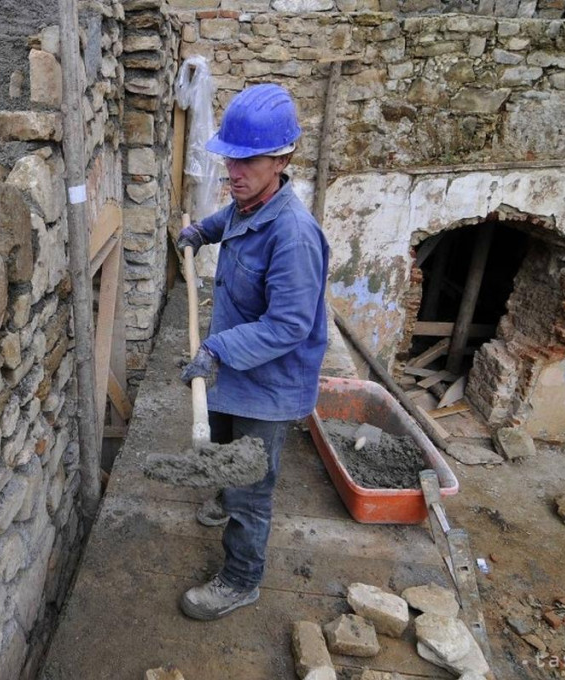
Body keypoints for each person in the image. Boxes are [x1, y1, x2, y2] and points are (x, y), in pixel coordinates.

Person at [176, 83, 330, 621]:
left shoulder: (293, 234)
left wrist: (215, 349)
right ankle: (223, 497)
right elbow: (226, 221)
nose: (233, 172)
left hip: (269, 384)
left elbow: (288, 325)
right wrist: (199, 231)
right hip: (234, 368)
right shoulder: (247, 203)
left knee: (251, 484)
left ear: (283, 159)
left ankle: (241, 580)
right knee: (220, 436)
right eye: (230, 160)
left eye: (247, 161)